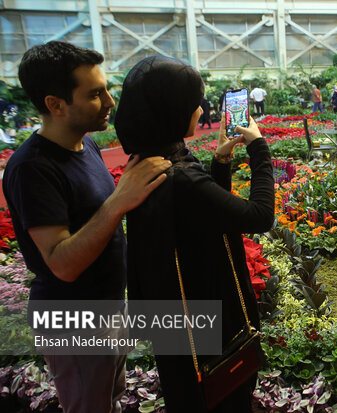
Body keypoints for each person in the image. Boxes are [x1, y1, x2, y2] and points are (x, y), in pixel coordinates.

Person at [3, 41, 171, 413]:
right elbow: (62, 263)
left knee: (107, 400)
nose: (110, 102)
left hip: (105, 308)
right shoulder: (33, 168)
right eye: (95, 94)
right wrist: (118, 201)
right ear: (55, 104)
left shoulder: (86, 146)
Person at [114, 55, 274, 413]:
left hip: (179, 321)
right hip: (207, 326)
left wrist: (220, 160)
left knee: (189, 394)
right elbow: (259, 216)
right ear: (173, 110)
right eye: (195, 102)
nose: (202, 110)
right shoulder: (181, 176)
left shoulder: (150, 160)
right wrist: (259, 148)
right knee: (222, 396)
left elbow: (204, 215)